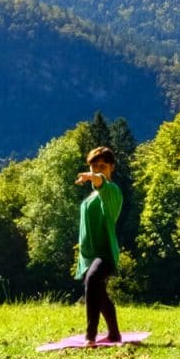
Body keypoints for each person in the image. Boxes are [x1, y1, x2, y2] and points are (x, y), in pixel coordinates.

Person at [74, 145, 124, 344]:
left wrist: (92, 177)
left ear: (111, 167)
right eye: (94, 167)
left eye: (102, 166)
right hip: (88, 255)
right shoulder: (91, 197)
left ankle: (90, 337)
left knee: (93, 280)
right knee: (99, 293)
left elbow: (101, 182)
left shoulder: (112, 192)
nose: (97, 170)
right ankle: (114, 334)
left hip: (105, 254)